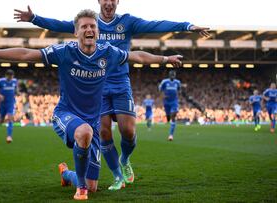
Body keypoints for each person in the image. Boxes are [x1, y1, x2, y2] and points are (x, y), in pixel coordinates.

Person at [0, 9, 183, 200]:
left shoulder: (108, 53)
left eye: (93, 26)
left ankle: (67, 175)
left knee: (93, 184)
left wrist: (165, 59)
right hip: (66, 114)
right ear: (76, 32)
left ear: (97, 31)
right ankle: (80, 189)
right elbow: (26, 53)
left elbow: (138, 56)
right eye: (84, 26)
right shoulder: (64, 52)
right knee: (84, 132)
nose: (89, 29)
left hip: (92, 124)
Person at [14, 0, 209, 189]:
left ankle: (124, 159)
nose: (109, 3)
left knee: (129, 131)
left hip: (120, 83)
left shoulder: (127, 22)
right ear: (99, 1)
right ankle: (116, 175)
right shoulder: (89, 23)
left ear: (117, 2)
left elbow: (156, 25)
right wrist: (34, 18)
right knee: (104, 132)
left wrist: (187, 26)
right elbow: (59, 25)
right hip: (97, 85)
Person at [0, 69, 18, 143]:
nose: (11, 78)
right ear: (6, 75)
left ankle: (9, 136)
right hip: (3, 103)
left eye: (12, 76)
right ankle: (1, 121)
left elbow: (16, 89)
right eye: (9, 76)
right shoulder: (1, 81)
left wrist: (18, 93)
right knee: (1, 120)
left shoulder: (15, 81)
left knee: (10, 118)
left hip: (11, 103)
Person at [159, 70, 181, 141]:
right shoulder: (164, 82)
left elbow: (179, 90)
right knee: (168, 116)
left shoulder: (177, 82)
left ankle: (171, 135)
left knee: (173, 115)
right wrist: (163, 96)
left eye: (173, 75)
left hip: (174, 101)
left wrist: (177, 98)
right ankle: (168, 118)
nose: (172, 76)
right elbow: (160, 89)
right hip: (166, 102)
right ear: (169, 75)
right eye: (171, 75)